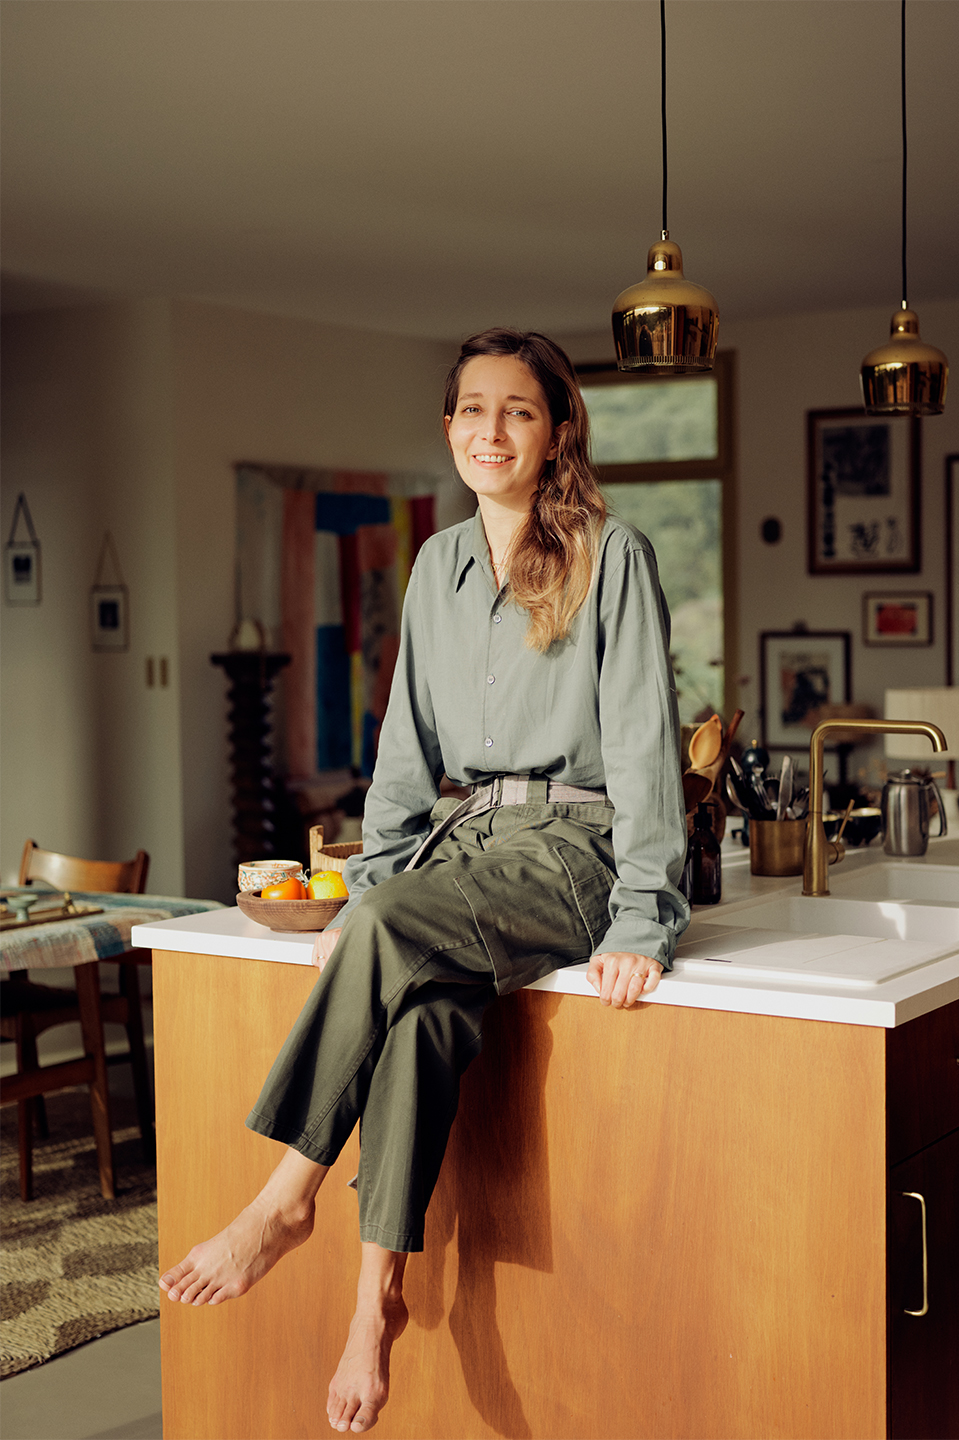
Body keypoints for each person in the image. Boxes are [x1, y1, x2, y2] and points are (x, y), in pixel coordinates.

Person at [159, 328, 689, 1434]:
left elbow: (643, 744)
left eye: (519, 412)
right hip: (463, 853)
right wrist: (369, 899)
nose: (491, 430)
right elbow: (404, 752)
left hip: (572, 854)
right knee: (425, 1023)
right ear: (449, 426)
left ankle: (283, 1201)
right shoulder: (438, 567)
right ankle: (377, 1300)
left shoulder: (612, 552)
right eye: (472, 410)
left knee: (393, 934)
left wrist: (645, 915)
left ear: (556, 435)